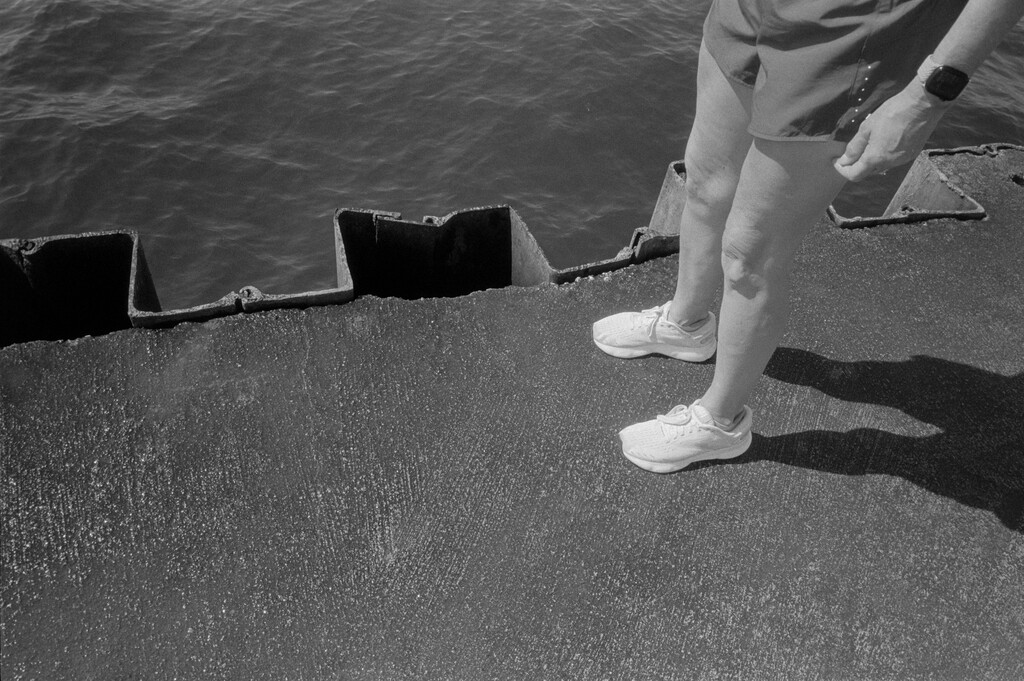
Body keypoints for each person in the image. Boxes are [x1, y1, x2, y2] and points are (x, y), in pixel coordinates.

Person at [592, 0, 1024, 474]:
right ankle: (688, 323)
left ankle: (721, 421)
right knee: (704, 182)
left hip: (850, 35)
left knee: (750, 250)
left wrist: (928, 95)